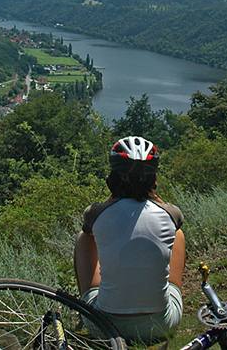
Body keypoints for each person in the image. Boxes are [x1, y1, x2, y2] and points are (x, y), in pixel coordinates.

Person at [74, 135, 186, 344]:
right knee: (176, 233)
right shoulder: (172, 213)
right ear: (153, 176)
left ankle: (85, 310)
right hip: (160, 325)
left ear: (113, 176)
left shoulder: (95, 214)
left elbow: (93, 227)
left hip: (103, 326)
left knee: (85, 236)